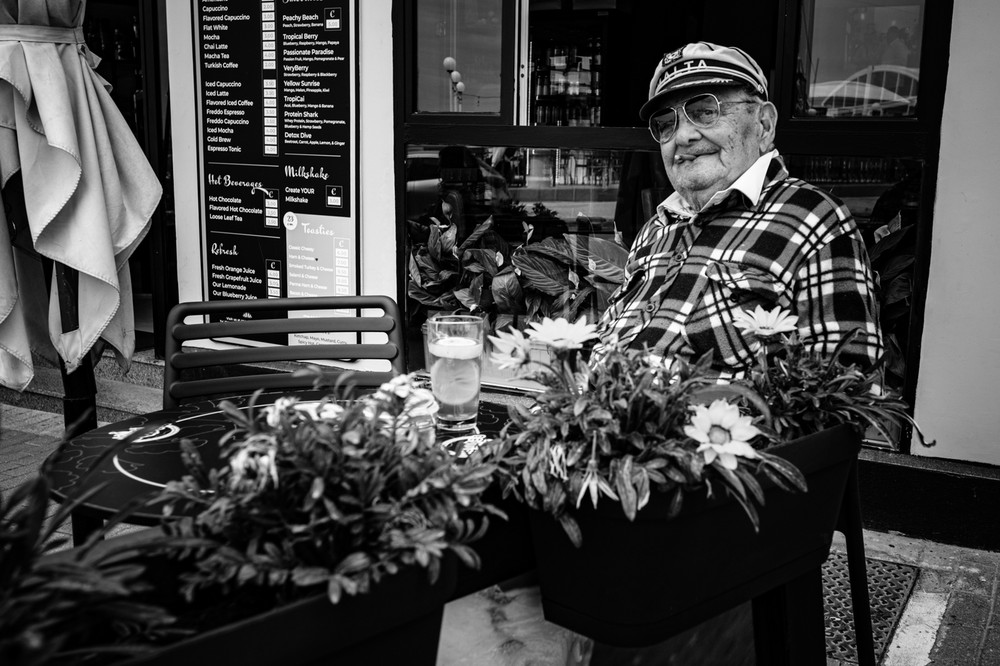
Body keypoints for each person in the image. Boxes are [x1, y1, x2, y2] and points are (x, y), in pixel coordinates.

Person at [597, 42, 884, 378]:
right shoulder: (656, 228)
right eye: (666, 123)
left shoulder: (815, 219)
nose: (684, 136)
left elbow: (847, 394)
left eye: (705, 111)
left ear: (763, 125)